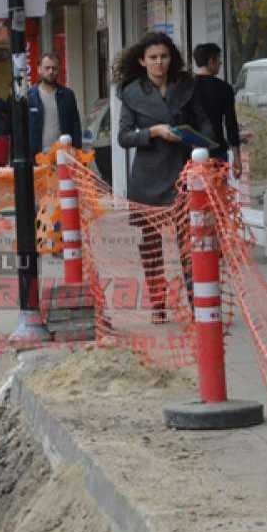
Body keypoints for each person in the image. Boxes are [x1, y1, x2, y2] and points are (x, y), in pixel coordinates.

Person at [114, 32, 213, 323]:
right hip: (147, 179)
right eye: (153, 58)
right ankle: (158, 304)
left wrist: (203, 142)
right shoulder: (131, 92)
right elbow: (123, 136)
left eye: (164, 56)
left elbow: (204, 121)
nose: (159, 63)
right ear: (143, 61)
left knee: (189, 241)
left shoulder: (186, 86)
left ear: (172, 58)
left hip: (183, 172)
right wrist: (154, 132)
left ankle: (197, 301)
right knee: (151, 245)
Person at [192, 43, 242, 178]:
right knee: (217, 195)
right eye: (218, 59)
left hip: (191, 153)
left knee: (195, 197)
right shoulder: (224, 88)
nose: (220, 63)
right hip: (217, 151)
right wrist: (237, 157)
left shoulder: (186, 87)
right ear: (210, 61)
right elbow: (231, 124)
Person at [27, 53, 82, 158]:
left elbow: (75, 126)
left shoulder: (67, 95)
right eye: (47, 68)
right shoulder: (30, 97)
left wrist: (77, 152)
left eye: (54, 68)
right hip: (37, 158)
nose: (51, 72)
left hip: (63, 157)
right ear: (39, 69)